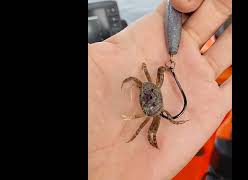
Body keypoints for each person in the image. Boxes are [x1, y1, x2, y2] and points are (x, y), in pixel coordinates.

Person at [88, 0, 232, 179]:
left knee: (149, 129)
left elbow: (153, 73)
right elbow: (142, 76)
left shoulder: (150, 102)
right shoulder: (149, 93)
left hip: (154, 108)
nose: (144, 98)